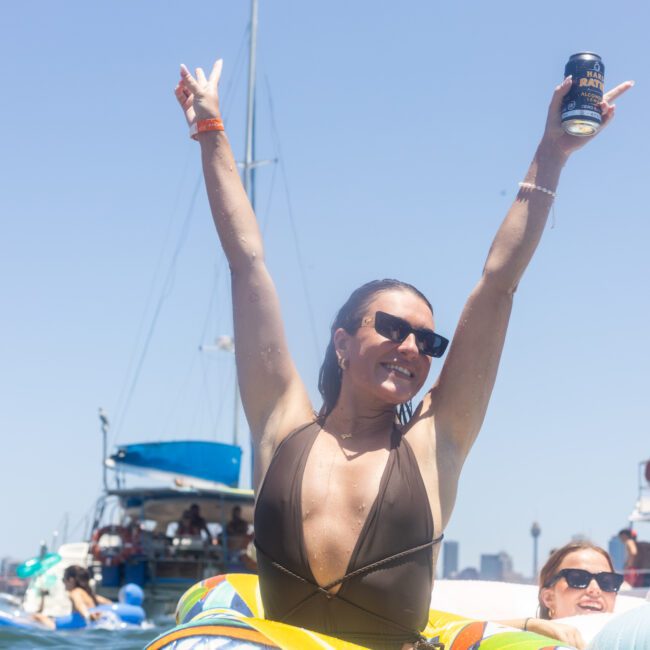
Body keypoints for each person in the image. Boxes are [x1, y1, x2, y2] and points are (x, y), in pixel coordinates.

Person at [175, 60, 632, 650]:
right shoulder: (278, 423)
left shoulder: (433, 444)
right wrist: (211, 134)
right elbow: (247, 263)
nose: (413, 348)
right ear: (342, 342)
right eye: (392, 328)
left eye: (429, 342)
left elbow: (498, 285)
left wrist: (552, 152)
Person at [499, 542, 623, 649]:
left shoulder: (629, 639)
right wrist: (532, 625)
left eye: (607, 581)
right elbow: (480, 632)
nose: (595, 590)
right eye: (578, 578)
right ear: (548, 598)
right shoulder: (526, 642)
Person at [32, 565, 112, 630]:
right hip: (82, 623)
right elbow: (109, 604)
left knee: (37, 616)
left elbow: (79, 605)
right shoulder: (90, 595)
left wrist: (87, 616)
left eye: (63, 579)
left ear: (71, 580)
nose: (63, 583)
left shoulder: (74, 592)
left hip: (72, 626)